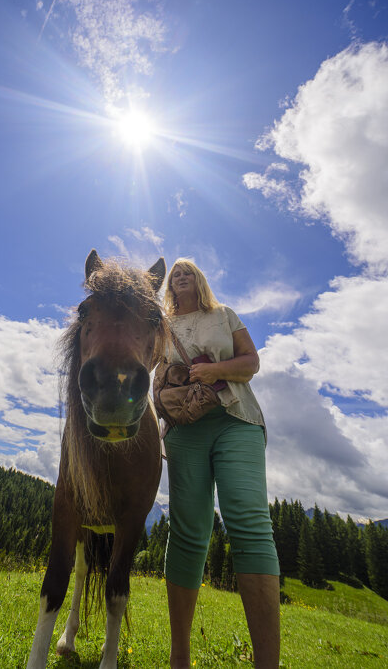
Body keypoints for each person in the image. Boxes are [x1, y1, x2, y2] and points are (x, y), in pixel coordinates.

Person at [154, 258, 280, 669]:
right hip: (185, 428)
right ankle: (180, 659)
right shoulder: (163, 325)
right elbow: (151, 370)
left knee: (249, 524)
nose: (180, 276)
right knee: (188, 532)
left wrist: (212, 370)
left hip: (235, 418)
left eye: (187, 271)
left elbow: (251, 363)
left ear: (199, 279)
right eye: (175, 274)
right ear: (170, 285)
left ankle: (267, 663)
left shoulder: (223, 314)